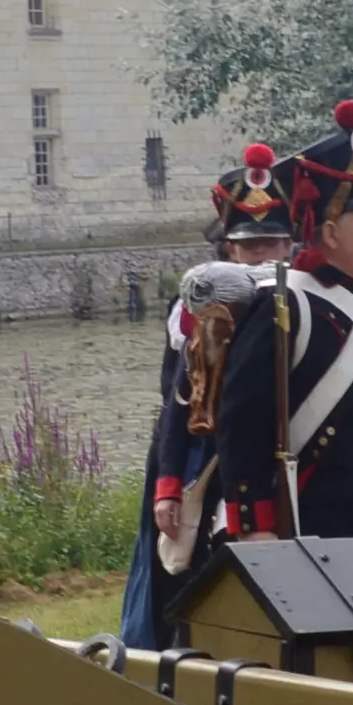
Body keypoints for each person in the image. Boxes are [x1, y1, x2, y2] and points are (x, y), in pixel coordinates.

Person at [216, 101, 353, 539]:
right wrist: (255, 528)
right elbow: (241, 427)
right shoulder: (284, 306)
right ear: (329, 232)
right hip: (311, 523)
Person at [125, 149, 290, 643]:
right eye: (250, 246)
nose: (262, 255)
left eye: (271, 244)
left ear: (289, 245)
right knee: (190, 582)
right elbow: (178, 402)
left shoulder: (303, 300)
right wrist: (169, 485)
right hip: (211, 460)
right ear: (231, 251)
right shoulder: (204, 311)